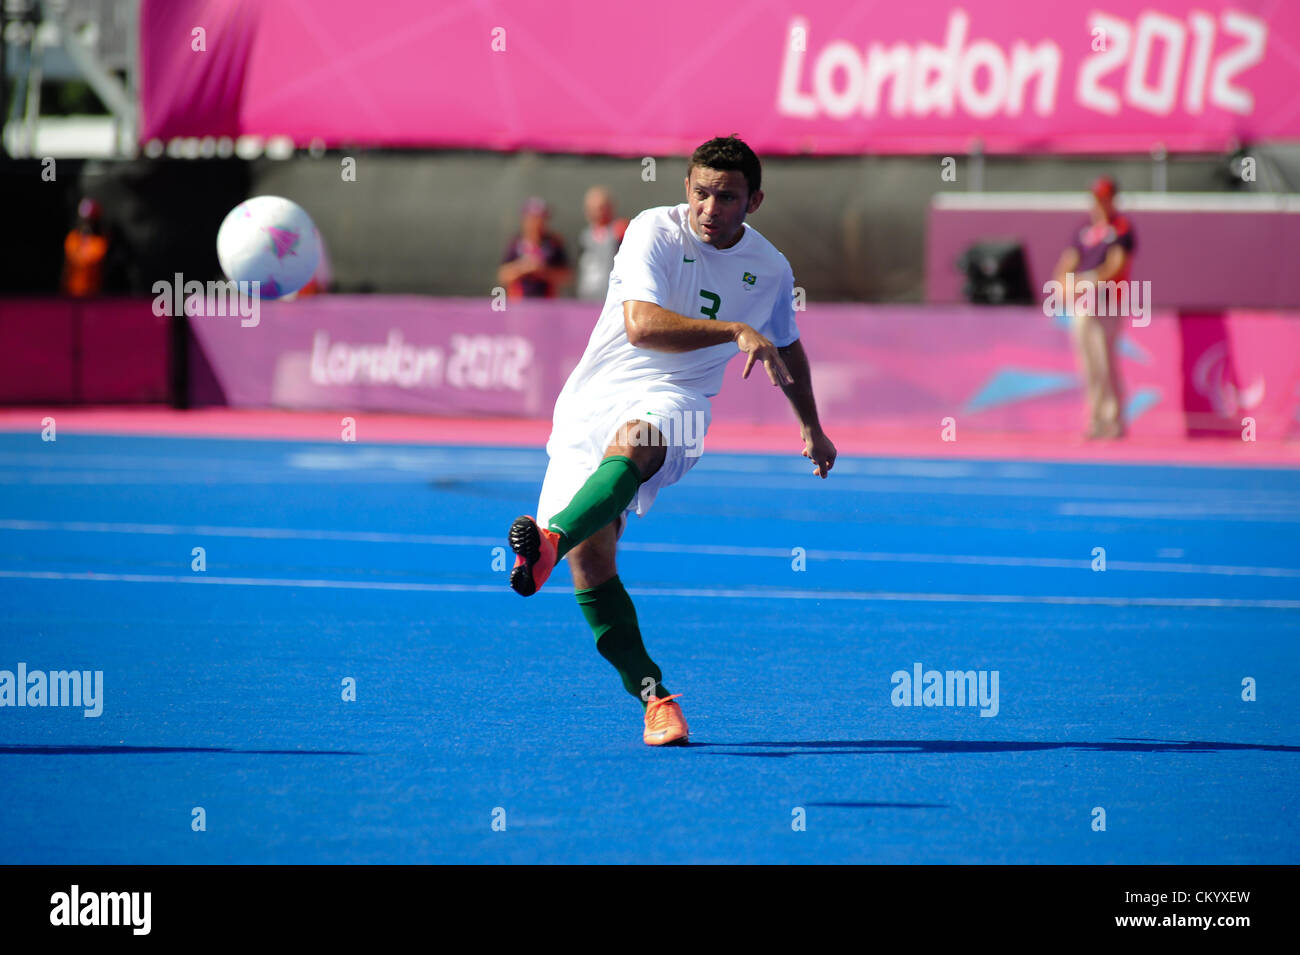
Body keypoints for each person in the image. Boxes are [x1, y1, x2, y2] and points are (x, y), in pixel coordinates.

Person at [505, 135, 837, 746]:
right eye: (702, 192)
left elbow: (786, 343)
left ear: (754, 201)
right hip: (591, 399)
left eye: (728, 197)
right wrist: (735, 329)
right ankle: (654, 698)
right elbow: (641, 326)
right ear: (686, 187)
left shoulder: (770, 268)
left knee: (638, 441)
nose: (712, 208)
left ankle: (550, 537)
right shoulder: (653, 231)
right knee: (591, 559)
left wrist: (810, 425)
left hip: (678, 401)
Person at [1050, 176, 1136, 440]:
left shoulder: (1121, 228)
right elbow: (1068, 261)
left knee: (1104, 360)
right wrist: (1062, 283)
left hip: (1107, 301)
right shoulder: (1084, 230)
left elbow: (1116, 264)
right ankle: (1095, 419)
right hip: (1083, 305)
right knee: (1087, 363)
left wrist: (1088, 281)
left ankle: (1113, 419)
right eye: (1096, 199)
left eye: (1104, 199)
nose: (1098, 205)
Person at [497, 197, 572, 299]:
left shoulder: (554, 244)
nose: (536, 222)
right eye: (532, 218)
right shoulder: (515, 244)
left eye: (540, 218)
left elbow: (566, 276)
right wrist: (523, 268)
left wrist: (543, 271)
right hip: (519, 304)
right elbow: (503, 275)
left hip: (547, 304)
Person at [575, 186, 629, 300]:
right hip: (586, 298)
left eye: (601, 208)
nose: (597, 213)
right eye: (592, 208)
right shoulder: (585, 236)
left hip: (612, 298)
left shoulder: (620, 231)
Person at [61, 198, 109, 298]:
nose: (87, 224)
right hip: (72, 292)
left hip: (93, 294)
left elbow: (91, 260)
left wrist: (87, 240)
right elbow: (70, 264)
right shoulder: (72, 239)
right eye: (84, 220)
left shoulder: (100, 242)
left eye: (90, 220)